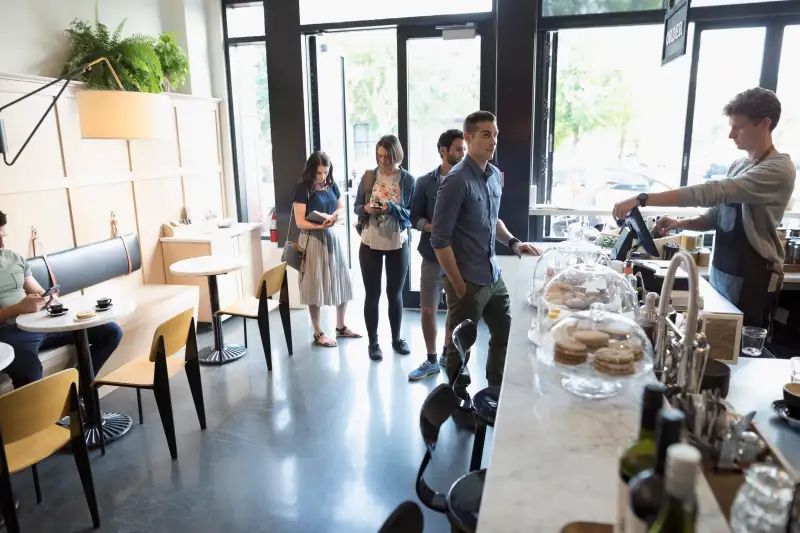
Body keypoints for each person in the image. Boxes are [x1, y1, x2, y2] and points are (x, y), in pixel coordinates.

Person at [612, 87, 796, 328]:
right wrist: (682, 224)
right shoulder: (740, 164)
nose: (731, 134)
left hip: (754, 277)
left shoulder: (778, 170)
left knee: (743, 349)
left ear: (764, 124)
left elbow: (712, 192)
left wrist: (642, 198)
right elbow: (719, 215)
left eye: (738, 126)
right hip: (723, 270)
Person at [432, 111, 540, 396]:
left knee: (505, 332)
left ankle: (496, 390)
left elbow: (493, 219)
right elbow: (439, 240)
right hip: (466, 279)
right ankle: (458, 400)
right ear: (467, 138)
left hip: (492, 274)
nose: (493, 140)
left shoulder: (493, 175)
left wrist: (514, 243)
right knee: (460, 347)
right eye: (485, 134)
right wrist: (457, 285)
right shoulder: (455, 181)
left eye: (495, 134)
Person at [0, 211, 123, 388]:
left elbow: (34, 288)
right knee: (30, 373)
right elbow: (18, 309)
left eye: (3, 236)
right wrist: (18, 308)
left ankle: (76, 395)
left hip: (39, 321)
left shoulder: (14, 258)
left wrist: (47, 297)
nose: (2, 244)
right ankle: (44, 414)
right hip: (9, 332)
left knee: (111, 331)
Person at [407, 129, 466, 381]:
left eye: (463, 149)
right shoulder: (424, 182)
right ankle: (431, 360)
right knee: (427, 309)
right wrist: (433, 226)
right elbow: (412, 218)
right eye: (458, 149)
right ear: (443, 150)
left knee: (455, 309)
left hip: (460, 256)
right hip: (431, 256)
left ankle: (445, 353)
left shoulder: (468, 179)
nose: (462, 153)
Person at [354, 135, 416, 361]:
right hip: (370, 241)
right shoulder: (369, 177)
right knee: (372, 294)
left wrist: (391, 208)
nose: (383, 161)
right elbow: (357, 207)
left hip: (398, 242)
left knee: (395, 294)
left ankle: (397, 338)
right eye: (379, 156)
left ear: (396, 155)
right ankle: (373, 342)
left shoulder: (408, 180)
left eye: (387, 157)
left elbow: (412, 215)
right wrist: (368, 208)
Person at [292, 152, 361, 347]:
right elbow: (299, 221)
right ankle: (318, 331)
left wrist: (335, 218)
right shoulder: (303, 188)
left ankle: (340, 326)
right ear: (311, 170)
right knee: (314, 285)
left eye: (326, 172)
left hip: (331, 237)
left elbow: (339, 208)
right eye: (319, 172)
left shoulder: (332, 185)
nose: (322, 176)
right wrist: (319, 225)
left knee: (342, 280)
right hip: (312, 239)